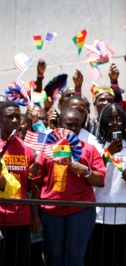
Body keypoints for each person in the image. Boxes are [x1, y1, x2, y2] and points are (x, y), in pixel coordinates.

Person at [35, 107, 106, 266]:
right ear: (59, 124)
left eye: (77, 125)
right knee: (55, 256)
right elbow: (37, 180)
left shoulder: (89, 149)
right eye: (69, 125)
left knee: (75, 256)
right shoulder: (48, 148)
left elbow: (100, 181)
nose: (73, 129)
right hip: (51, 210)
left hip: (80, 209)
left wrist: (86, 171)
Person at [85, 104, 126, 266]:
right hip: (100, 212)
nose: (114, 122)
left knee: (124, 259)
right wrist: (108, 153)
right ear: (103, 121)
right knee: (101, 258)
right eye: (110, 119)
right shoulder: (95, 145)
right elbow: (91, 172)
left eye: (118, 118)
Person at [0, 101, 40, 266]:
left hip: (21, 219)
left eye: (17, 116)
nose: (15, 120)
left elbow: (30, 187)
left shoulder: (27, 149)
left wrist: (34, 173)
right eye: (10, 116)